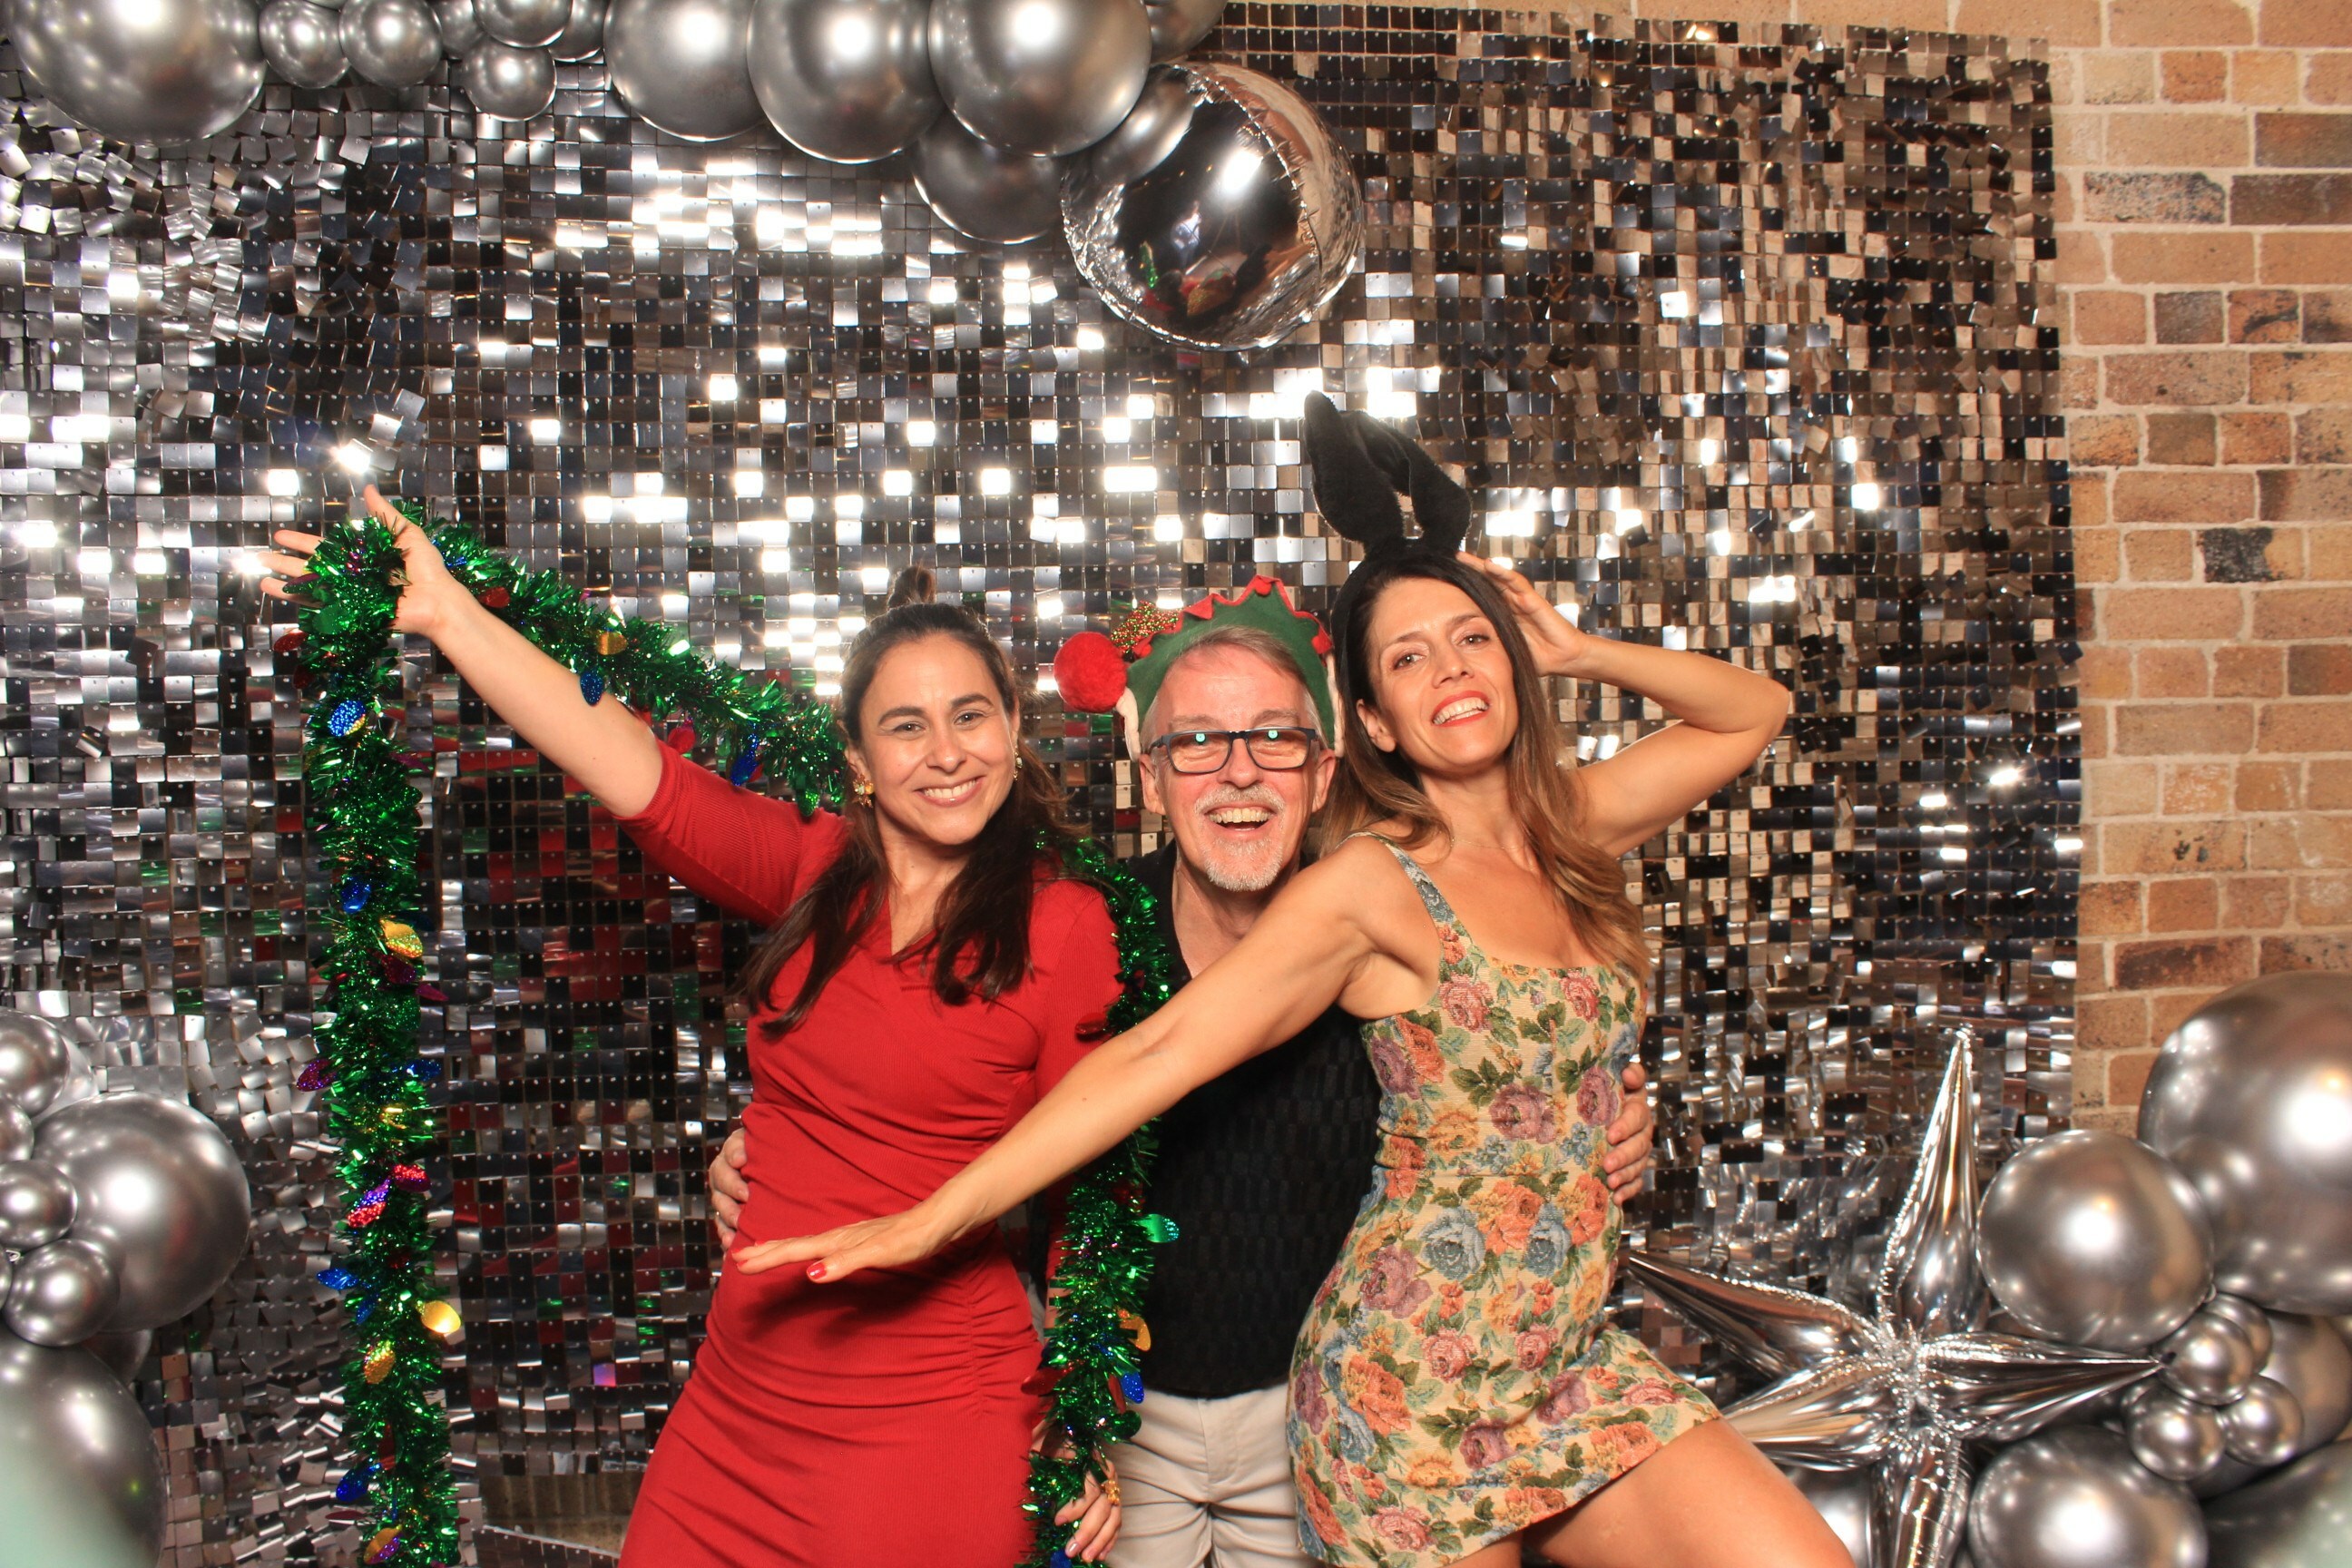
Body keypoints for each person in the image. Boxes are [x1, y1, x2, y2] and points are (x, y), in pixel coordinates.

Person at [730, 396, 1853, 1568]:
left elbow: (1755, 712)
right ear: (1370, 723)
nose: (1451, 670)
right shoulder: (1371, 886)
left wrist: (1573, 648)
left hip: (1567, 1357)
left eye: (1474, 641)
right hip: (1415, 1383)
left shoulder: (1568, 827)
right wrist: (925, 1214)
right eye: (1407, 659)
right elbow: (1158, 1052)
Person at [707, 579, 1662, 1568]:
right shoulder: (1080, 931)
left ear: (1325, 771)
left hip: (1323, 1406)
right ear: (1151, 781)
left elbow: (1509, 1056)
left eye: (1276, 739)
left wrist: (1602, 1116)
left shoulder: (1388, 919)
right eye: (1197, 743)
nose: (1239, 773)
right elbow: (931, 1073)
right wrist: (776, 1148)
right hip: (1125, 1417)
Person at [261, 496, 1122, 1567]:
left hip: (933, 1419)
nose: (946, 753)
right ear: (858, 756)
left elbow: (1093, 1190)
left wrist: (1085, 1412)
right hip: (739, 1410)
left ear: (1013, 726)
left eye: (971, 716)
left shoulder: (1066, 926)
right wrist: (447, 615)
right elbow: (627, 763)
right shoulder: (811, 867)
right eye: (907, 725)